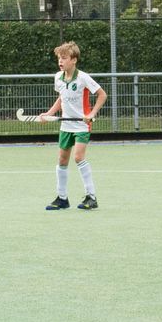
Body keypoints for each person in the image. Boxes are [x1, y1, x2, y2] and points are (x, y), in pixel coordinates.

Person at [36, 41, 105, 210]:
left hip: (82, 125)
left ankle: (91, 197)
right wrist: (49, 113)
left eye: (64, 58)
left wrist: (92, 114)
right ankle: (62, 198)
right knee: (62, 160)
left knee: (78, 157)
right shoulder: (58, 77)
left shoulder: (83, 77)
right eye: (59, 58)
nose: (60, 61)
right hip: (66, 125)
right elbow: (62, 98)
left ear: (74, 60)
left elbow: (102, 95)